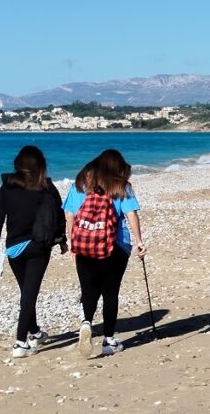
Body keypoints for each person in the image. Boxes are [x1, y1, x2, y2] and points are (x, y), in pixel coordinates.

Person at [63, 149, 148, 357]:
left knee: (89, 288)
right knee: (110, 291)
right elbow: (131, 214)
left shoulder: (80, 184)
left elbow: (69, 215)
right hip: (116, 245)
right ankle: (109, 341)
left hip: (84, 244)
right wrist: (139, 242)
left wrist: (73, 242)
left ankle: (86, 322)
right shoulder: (121, 186)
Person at [0, 145, 68, 358]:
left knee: (27, 293)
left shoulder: (6, 187)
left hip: (13, 249)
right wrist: (62, 242)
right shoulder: (47, 187)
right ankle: (20, 342)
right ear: (41, 165)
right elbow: (59, 218)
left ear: (17, 164)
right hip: (38, 247)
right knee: (29, 294)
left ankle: (34, 332)